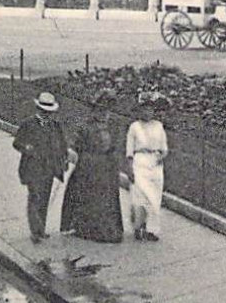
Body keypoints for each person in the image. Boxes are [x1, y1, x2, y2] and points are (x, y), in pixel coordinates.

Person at [60, 97, 125, 243]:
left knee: (106, 198)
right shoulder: (85, 127)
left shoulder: (112, 128)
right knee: (88, 196)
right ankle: (87, 229)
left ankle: (106, 229)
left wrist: (115, 164)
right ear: (94, 112)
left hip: (106, 166)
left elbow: (115, 147)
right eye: (99, 110)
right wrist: (71, 152)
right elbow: (75, 144)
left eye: (105, 111)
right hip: (88, 165)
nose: (103, 114)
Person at [13, 92, 72, 244]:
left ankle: (41, 229)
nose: (46, 115)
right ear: (38, 109)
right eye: (44, 111)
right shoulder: (28, 124)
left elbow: (62, 145)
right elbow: (17, 142)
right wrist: (27, 147)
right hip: (33, 167)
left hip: (49, 168)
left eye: (49, 112)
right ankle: (35, 230)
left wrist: (64, 160)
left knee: (44, 198)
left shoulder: (55, 126)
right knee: (35, 197)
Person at [126, 93, 170, 242]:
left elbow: (164, 147)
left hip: (155, 163)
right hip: (140, 161)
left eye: (150, 109)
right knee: (139, 196)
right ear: (139, 110)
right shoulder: (134, 127)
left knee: (154, 197)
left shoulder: (158, 126)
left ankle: (151, 229)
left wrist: (161, 155)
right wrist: (130, 168)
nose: (147, 112)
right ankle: (139, 227)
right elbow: (129, 151)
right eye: (144, 109)